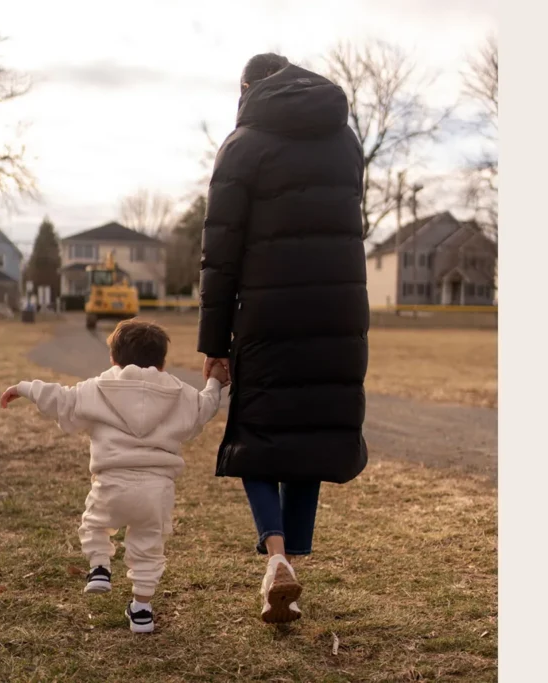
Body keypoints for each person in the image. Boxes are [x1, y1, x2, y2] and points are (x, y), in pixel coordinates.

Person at [198, 53, 369, 624]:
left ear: (247, 87)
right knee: (311, 427)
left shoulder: (243, 144)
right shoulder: (344, 139)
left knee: (258, 428)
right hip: (339, 306)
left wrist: (214, 340)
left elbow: (219, 253)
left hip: (267, 310)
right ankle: (293, 559)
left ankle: (276, 558)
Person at [0, 319, 224, 633]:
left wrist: (25, 388)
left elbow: (60, 398)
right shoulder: (179, 393)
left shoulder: (98, 388)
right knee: (148, 547)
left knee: (94, 524)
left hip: (110, 484)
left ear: (114, 359)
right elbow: (206, 407)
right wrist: (214, 381)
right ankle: (142, 610)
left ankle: (100, 567)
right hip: (156, 491)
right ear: (161, 363)